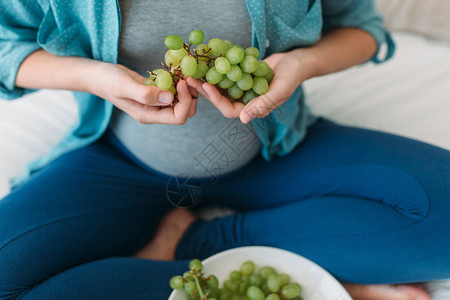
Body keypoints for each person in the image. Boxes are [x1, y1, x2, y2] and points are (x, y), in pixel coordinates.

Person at [0, 0, 448, 299]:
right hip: (121, 166)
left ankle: (198, 242)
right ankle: (326, 272)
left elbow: (362, 27)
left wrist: (303, 62)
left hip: (274, 152)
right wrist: (93, 77)